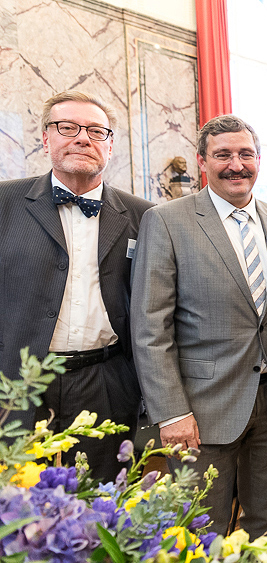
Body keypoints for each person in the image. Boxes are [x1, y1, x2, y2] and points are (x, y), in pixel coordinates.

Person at [130, 114, 267, 538]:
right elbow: (150, 326)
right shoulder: (166, 221)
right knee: (199, 529)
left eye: (245, 154)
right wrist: (171, 411)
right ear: (202, 161)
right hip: (200, 409)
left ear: (259, 160)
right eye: (223, 155)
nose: (236, 164)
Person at [0, 90, 153, 482]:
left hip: (106, 383)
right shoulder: (5, 203)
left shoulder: (145, 217)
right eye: (67, 127)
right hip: (19, 383)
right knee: (20, 512)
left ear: (111, 144)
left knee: (102, 505)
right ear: (46, 137)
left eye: (96, 131)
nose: (82, 138)